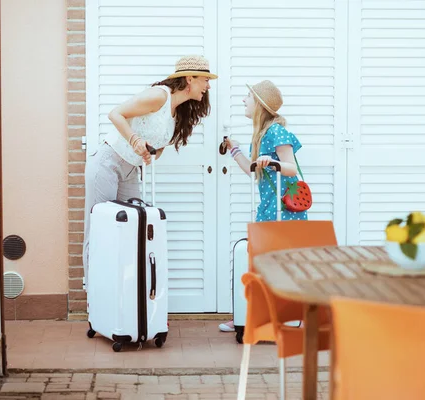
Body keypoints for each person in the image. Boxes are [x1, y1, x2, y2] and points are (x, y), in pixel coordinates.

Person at [83, 55, 217, 286]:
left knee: (131, 230)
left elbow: (158, 147)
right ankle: (95, 299)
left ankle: (124, 295)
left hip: (131, 171)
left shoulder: (178, 113)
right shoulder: (159, 95)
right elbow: (116, 114)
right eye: (205, 79)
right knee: (99, 230)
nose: (208, 85)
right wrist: (135, 140)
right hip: (108, 163)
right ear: (189, 78)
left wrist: (148, 152)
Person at [219, 80, 307, 332]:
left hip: (285, 213)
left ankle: (290, 316)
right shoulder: (261, 134)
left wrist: (272, 163)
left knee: (278, 265)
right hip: (269, 209)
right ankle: (248, 315)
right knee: (258, 264)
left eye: (248, 96)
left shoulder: (277, 132)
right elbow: (253, 171)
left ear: (259, 103)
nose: (243, 100)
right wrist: (234, 149)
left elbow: (290, 166)